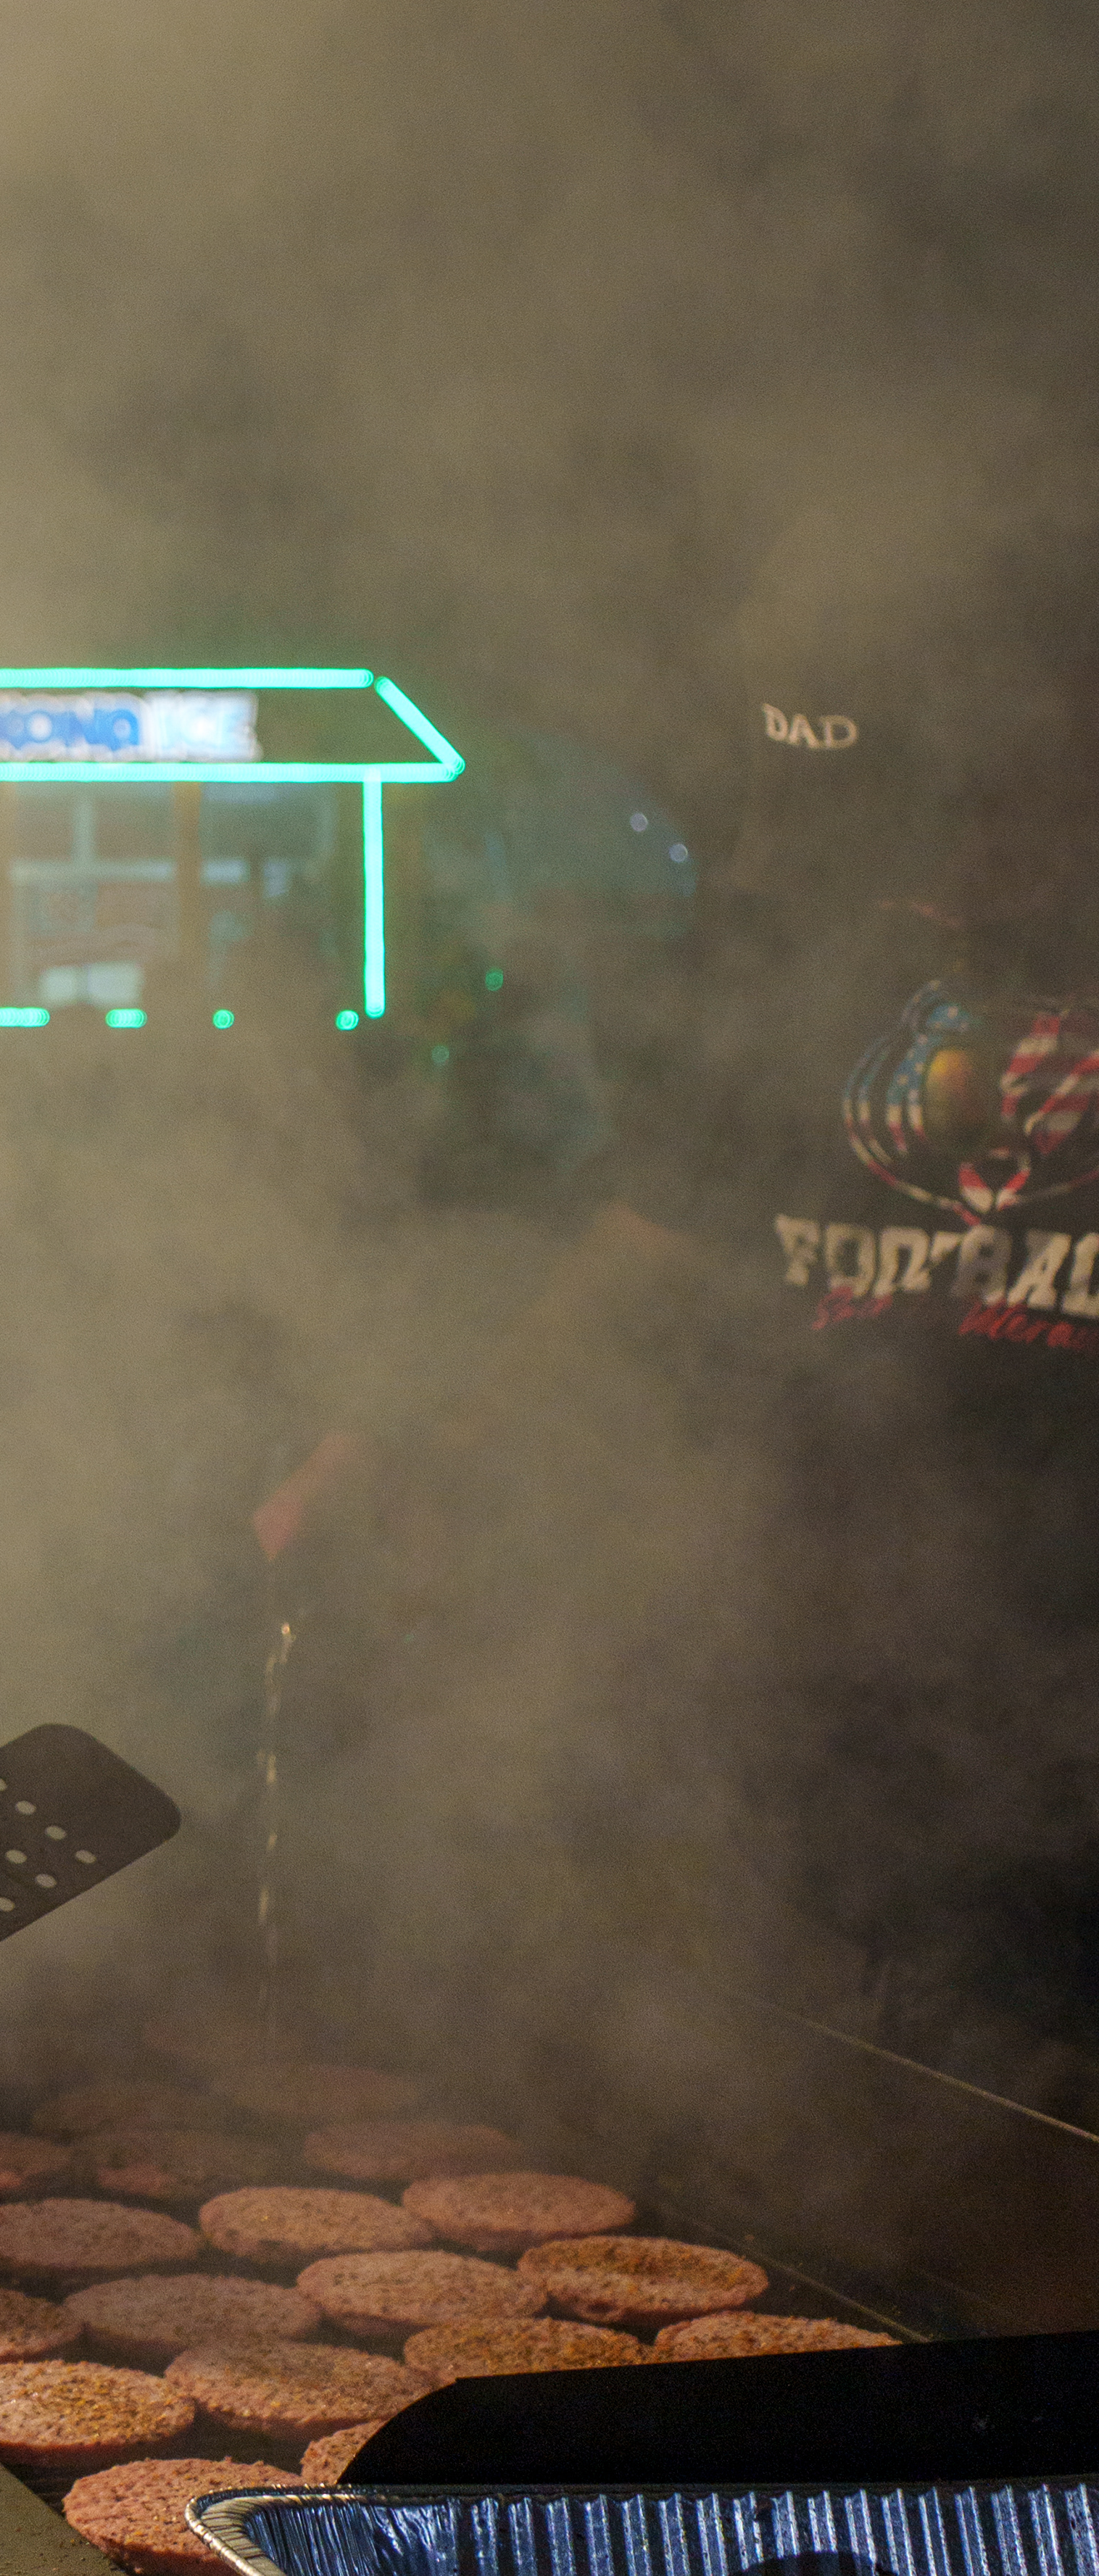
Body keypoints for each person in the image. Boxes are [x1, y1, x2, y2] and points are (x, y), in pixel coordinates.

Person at [261, 504, 1099, 2058]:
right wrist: (411, 1447)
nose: (896, 894)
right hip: (861, 1705)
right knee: (910, 2128)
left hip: (1062, 1684)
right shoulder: (811, 941)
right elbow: (653, 1242)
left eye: (930, 830)